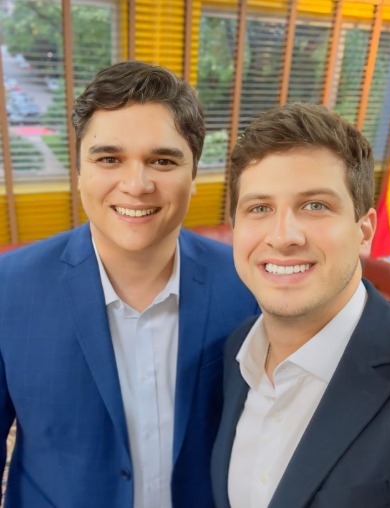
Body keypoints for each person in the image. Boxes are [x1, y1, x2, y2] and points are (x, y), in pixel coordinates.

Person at [0, 61, 259, 508]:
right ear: (79, 170)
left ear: (194, 174)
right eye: (109, 159)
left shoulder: (248, 282)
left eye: (162, 161)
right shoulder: (9, 287)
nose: (136, 185)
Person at [211, 102, 390, 508]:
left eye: (315, 205)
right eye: (259, 208)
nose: (283, 236)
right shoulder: (234, 352)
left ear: (364, 229)